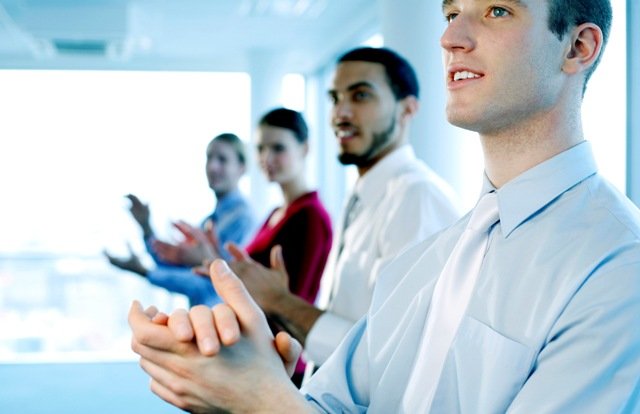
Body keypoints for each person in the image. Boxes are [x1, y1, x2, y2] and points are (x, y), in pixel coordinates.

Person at [130, 0, 640, 411]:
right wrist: (247, 378)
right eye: (450, 13)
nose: (449, 38)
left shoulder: (620, 266)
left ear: (578, 47)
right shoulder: (434, 256)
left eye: (497, 10)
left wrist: (264, 403)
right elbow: (332, 402)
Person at [219, 47, 461, 371]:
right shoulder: (362, 197)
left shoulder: (417, 197)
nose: (340, 113)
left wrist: (279, 301)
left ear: (407, 109)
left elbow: (395, 354)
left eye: (360, 96)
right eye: (335, 98)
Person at [186, 107, 333, 386]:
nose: (267, 157)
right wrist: (215, 260)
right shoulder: (277, 212)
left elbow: (292, 300)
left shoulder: (310, 216)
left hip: (281, 362)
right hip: (260, 357)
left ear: (304, 149)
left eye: (278, 148)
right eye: (261, 148)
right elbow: (255, 281)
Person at [105, 133, 256, 306]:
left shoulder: (243, 219)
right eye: (209, 158)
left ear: (242, 168)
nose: (212, 166)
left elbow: (211, 286)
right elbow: (174, 267)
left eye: (222, 159)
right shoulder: (209, 221)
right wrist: (146, 228)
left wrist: (145, 272)